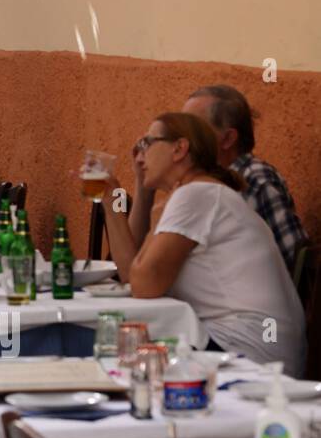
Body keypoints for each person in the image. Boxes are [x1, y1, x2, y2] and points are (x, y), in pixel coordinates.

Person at [101, 112, 305, 374]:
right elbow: (132, 275)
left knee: (106, 346)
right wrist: (111, 200)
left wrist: (157, 215)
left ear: (179, 149)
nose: (139, 157)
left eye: (146, 143)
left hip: (250, 353)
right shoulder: (197, 191)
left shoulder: (196, 194)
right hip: (260, 347)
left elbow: (142, 285)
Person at [176, 85, 309, 275]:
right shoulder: (203, 181)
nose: (183, 140)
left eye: (194, 129)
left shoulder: (254, 178)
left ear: (228, 139)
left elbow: (294, 258)